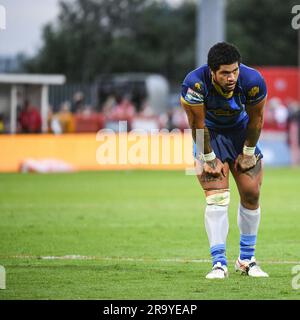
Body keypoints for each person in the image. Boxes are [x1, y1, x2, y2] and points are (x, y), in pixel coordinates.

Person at [180, 42, 269, 279]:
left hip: (241, 133)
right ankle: (219, 264)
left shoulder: (253, 81)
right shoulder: (193, 84)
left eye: (235, 71)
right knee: (217, 196)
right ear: (212, 72)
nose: (231, 77)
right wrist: (208, 157)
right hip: (209, 135)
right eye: (225, 73)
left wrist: (248, 152)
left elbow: (257, 120)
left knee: (252, 193)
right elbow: (196, 125)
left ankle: (247, 259)